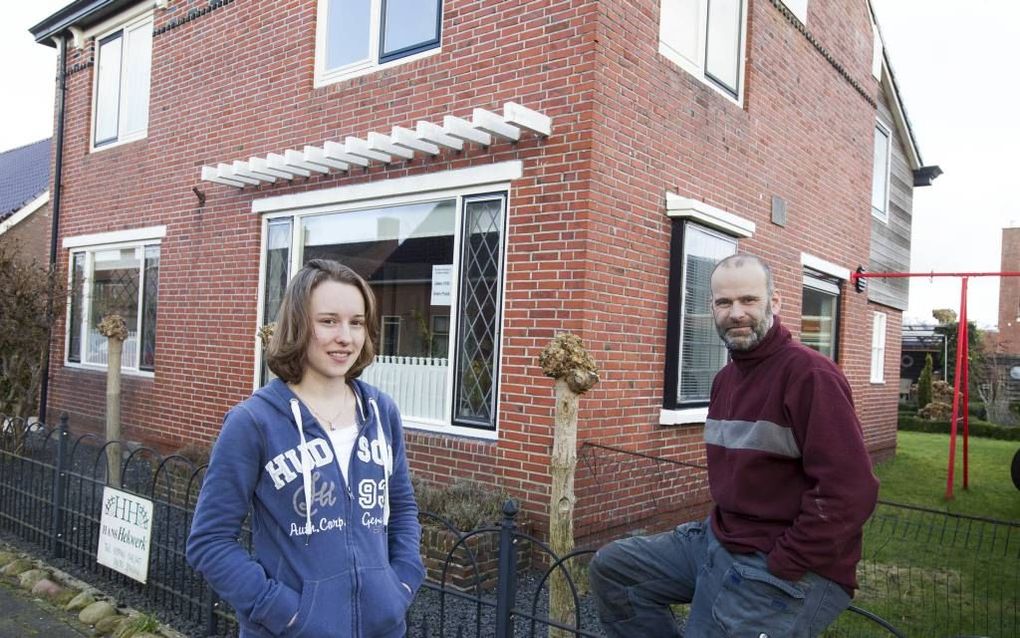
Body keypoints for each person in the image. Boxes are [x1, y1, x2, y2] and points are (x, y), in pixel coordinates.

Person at [589, 254, 879, 637]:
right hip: (724, 538)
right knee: (616, 569)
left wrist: (785, 561)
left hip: (790, 559)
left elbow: (850, 492)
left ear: (774, 303)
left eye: (749, 300)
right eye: (724, 303)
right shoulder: (726, 379)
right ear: (712, 308)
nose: (736, 313)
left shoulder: (809, 376)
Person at [187, 259, 424, 637]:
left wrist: (403, 584)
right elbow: (210, 542)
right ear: (299, 325)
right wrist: (286, 613)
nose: (345, 336)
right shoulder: (253, 422)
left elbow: (403, 509)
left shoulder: (382, 413)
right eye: (328, 321)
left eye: (357, 322)